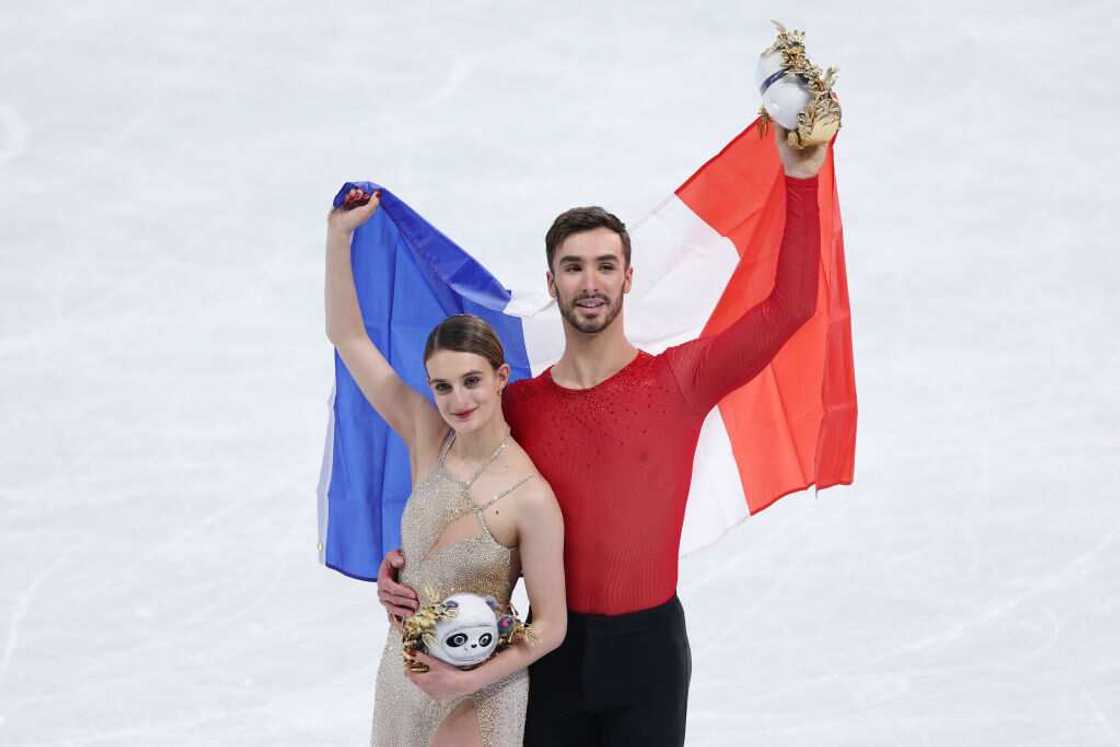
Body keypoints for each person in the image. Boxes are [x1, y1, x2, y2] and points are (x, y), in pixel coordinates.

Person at [376, 125, 828, 745]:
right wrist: (406, 570)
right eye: (574, 267)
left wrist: (802, 178)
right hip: (547, 655)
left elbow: (793, 307)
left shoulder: (680, 380)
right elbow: (450, 481)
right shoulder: (520, 407)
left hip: (650, 656)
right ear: (553, 280)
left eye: (605, 266)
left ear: (628, 277)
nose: (590, 282)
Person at [325, 190, 567, 747]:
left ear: (502, 376)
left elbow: (550, 626)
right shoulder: (425, 433)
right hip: (404, 674)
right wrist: (338, 237)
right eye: (442, 385)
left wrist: (472, 678)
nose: (458, 399)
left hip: (482, 691)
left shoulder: (531, 496)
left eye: (472, 381)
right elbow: (348, 337)